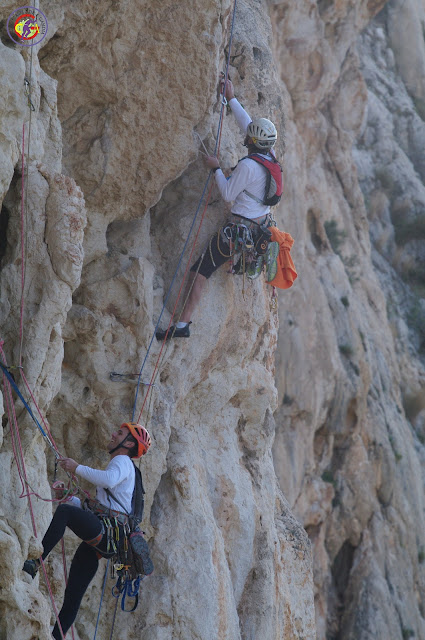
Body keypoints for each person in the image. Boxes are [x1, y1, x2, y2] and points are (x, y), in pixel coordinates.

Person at [156, 78, 281, 340]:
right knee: (201, 269)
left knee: (200, 271)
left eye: (249, 136)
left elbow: (226, 193)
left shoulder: (248, 167)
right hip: (260, 225)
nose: (245, 135)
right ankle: (182, 324)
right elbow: (248, 124)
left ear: (253, 141)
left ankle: (183, 325)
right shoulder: (269, 156)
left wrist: (214, 168)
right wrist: (232, 98)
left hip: (238, 230)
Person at [23, 422, 152, 640]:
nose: (113, 434)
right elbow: (95, 509)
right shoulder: (124, 467)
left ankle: (35, 562)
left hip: (108, 532)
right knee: (73, 598)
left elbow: (108, 480)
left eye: (119, 433)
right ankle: (55, 637)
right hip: (110, 538)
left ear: (129, 443)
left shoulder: (122, 461)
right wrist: (67, 496)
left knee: (64, 513)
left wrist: (76, 467)